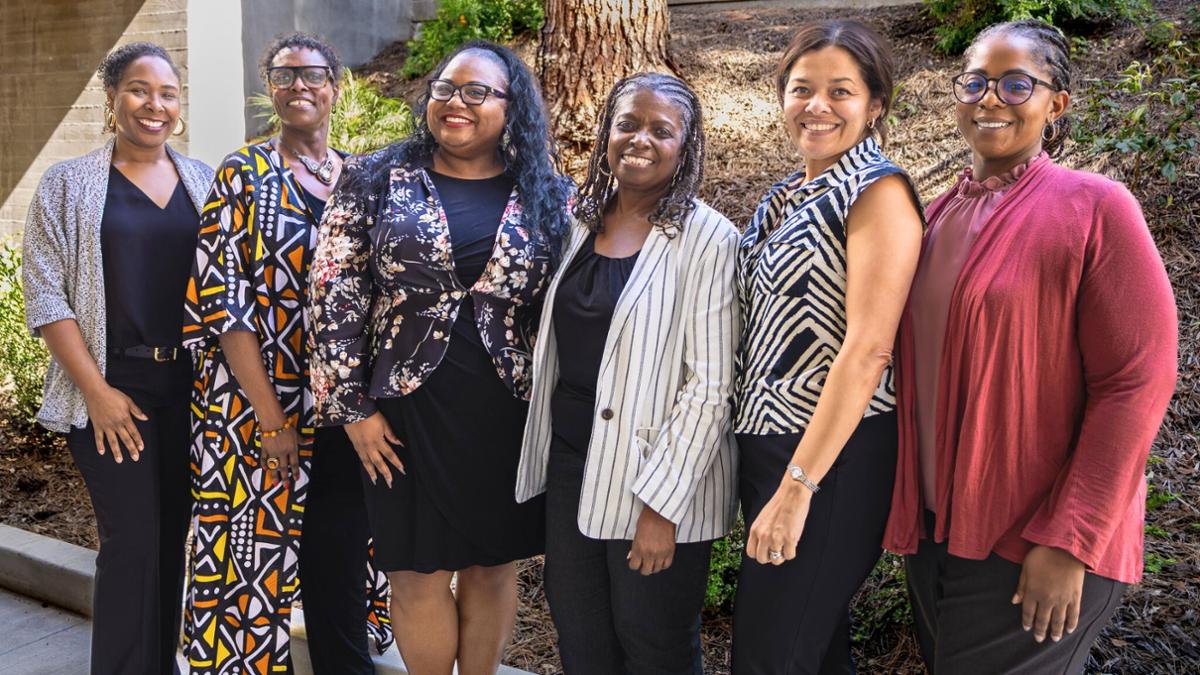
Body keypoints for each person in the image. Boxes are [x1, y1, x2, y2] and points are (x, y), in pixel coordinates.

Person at [882, 20, 1178, 674]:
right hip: (940, 536)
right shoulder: (930, 218)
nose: (991, 99)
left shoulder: (1096, 208)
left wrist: (1070, 538)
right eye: (976, 82)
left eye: (1017, 84)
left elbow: (1137, 381)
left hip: (1035, 542)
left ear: (1056, 103)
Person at [308, 40, 572, 675]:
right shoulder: (375, 178)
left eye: (478, 92)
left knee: (492, 563)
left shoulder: (547, 193)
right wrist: (353, 411)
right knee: (415, 570)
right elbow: (332, 291)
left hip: (504, 409)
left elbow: (563, 304)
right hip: (400, 414)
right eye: (445, 89)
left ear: (514, 109)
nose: (456, 102)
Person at [181, 33, 392, 675]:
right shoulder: (241, 174)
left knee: (340, 558)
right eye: (284, 74)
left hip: (346, 411)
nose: (299, 85)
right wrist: (272, 419)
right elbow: (223, 301)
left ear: (336, 86)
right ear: (271, 89)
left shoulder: (364, 176)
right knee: (245, 564)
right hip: (253, 408)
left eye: (313, 74)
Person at [516, 72, 740, 674]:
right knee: (583, 642)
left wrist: (661, 507)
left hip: (652, 474)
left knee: (655, 645)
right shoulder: (579, 221)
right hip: (572, 464)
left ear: (685, 145)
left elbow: (712, 387)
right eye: (627, 124)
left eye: (660, 130)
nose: (640, 139)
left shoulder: (707, 238)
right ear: (606, 135)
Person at [730, 20, 924, 674]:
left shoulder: (878, 192)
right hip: (771, 451)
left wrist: (797, 486)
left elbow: (869, 349)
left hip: (832, 459)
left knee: (769, 655)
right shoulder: (787, 194)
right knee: (809, 649)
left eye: (840, 91)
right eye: (801, 88)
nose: (816, 105)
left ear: (875, 105)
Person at [20, 42, 211, 674]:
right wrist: (97, 393)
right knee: (130, 544)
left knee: (169, 542)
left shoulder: (204, 181)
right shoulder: (68, 183)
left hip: (190, 390)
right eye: (138, 89)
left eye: (168, 93)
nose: (154, 105)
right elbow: (46, 295)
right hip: (110, 387)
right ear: (111, 99)